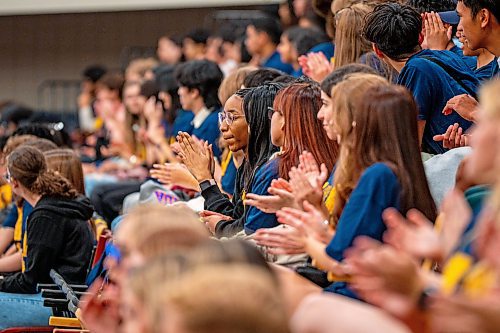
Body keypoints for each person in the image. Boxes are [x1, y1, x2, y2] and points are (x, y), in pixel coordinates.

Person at [363, 3, 479, 154]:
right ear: (420, 36)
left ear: (377, 50)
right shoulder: (446, 55)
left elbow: (409, 147)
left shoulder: (416, 70)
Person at [0, 146, 94, 329]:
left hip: (59, 302)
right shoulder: (58, 204)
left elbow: (31, 280)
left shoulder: (45, 217)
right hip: (62, 295)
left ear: (15, 182)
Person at [177, 83, 284, 237]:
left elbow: (246, 231)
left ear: (256, 121)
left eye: (231, 117)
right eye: (223, 117)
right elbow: (234, 216)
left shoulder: (270, 169)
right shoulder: (249, 164)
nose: (223, 127)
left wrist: (205, 179)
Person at [175, 60, 224, 158]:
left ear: (194, 92)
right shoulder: (200, 121)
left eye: (182, 87)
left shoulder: (213, 124)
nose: (179, 92)